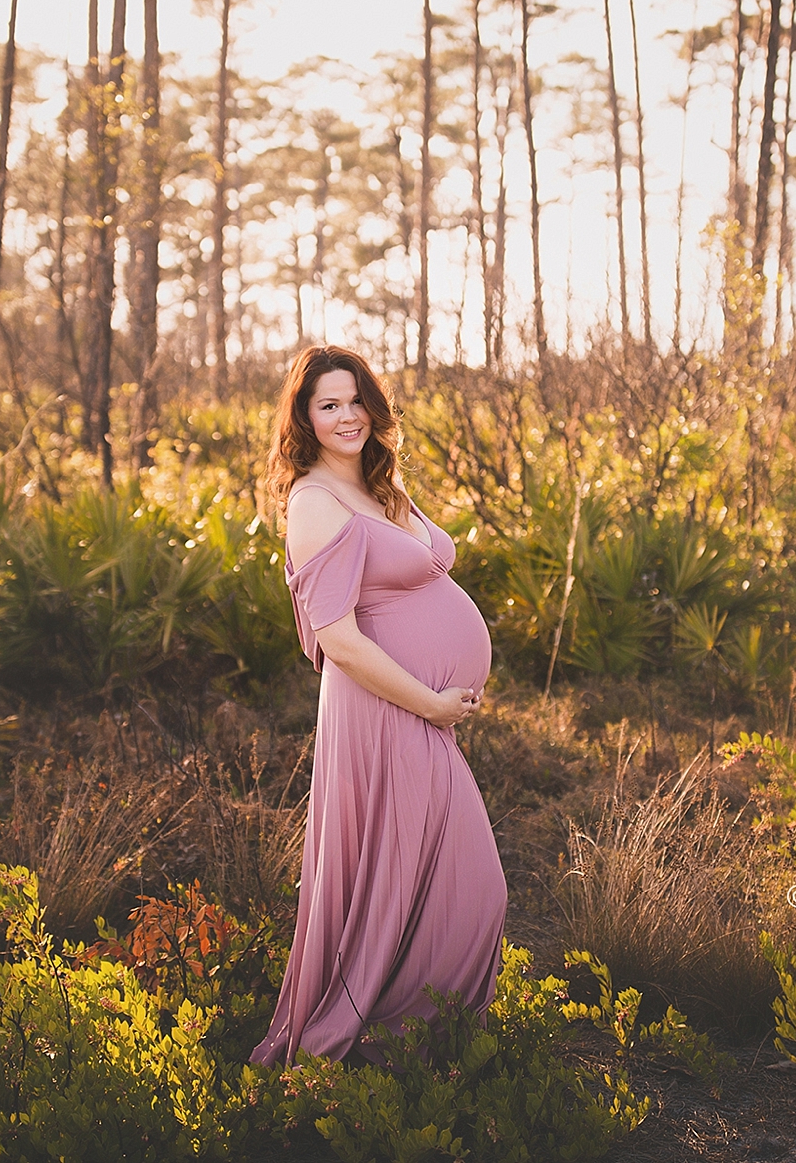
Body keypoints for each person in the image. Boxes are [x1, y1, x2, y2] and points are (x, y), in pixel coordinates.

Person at [249, 344, 507, 1066]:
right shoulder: (313, 501)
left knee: (443, 882)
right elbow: (340, 640)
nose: (346, 415)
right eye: (327, 404)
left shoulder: (380, 484)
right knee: (468, 884)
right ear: (303, 417)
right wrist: (429, 701)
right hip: (384, 711)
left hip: (419, 713)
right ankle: (387, 1045)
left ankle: (419, 1042)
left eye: (355, 399)